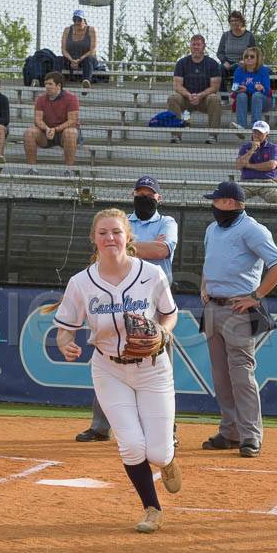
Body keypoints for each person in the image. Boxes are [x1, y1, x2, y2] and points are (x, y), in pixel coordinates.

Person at [52, 208, 182, 534]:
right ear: (93, 240)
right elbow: (65, 329)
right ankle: (152, 508)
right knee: (132, 446)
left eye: (116, 232)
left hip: (152, 368)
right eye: (103, 233)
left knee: (158, 449)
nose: (110, 238)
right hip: (108, 369)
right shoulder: (81, 282)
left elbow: (169, 314)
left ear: (128, 237)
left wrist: (164, 333)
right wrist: (64, 343)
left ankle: (166, 461)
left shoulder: (151, 274)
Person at [74, 176, 179, 445]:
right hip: (115, 296)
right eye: (140, 193)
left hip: (152, 301)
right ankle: (100, 426)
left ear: (159, 197)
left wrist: (122, 247)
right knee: (108, 354)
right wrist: (122, 245)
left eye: (150, 194)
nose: (144, 197)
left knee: (160, 363)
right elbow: (106, 252)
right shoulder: (123, 221)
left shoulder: (167, 223)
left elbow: (161, 250)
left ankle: (168, 430)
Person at [199, 180, 277, 458]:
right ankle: (230, 432)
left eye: (217, 200)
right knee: (221, 376)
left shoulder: (253, 229)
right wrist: (204, 286)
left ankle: (250, 435)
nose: (213, 205)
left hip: (238, 308)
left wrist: (256, 296)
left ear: (229, 203)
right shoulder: (212, 228)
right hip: (213, 307)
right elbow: (209, 262)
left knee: (241, 374)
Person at [167, 35, 222, 141]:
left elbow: (214, 87)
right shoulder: (182, 63)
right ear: (190, 46)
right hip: (186, 99)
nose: (196, 47)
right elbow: (177, 85)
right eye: (193, 44)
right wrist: (189, 95)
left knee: (215, 98)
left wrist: (200, 95)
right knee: (173, 98)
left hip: (205, 99)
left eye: (198, 44)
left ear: (204, 46)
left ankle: (212, 135)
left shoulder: (212, 63)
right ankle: (176, 135)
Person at [24, 72, 79, 174]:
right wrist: (47, 129)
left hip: (64, 134)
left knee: (71, 132)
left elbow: (72, 121)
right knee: (29, 132)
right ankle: (31, 169)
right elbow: (38, 119)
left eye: (50, 84)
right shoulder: (41, 99)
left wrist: (55, 129)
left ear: (58, 85)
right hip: (46, 134)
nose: (47, 86)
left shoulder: (72, 98)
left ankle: (69, 170)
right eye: (45, 84)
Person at [235, 120, 277, 203]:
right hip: (247, 182)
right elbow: (238, 165)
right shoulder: (245, 147)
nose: (256, 135)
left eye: (260, 133)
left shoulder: (273, 147)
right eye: (255, 132)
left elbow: (271, 165)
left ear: (267, 135)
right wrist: (252, 149)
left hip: (267, 182)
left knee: (275, 197)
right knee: (235, 196)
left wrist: (249, 166)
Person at [232, 46, 272, 129]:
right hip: (246, 102)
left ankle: (255, 127)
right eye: (246, 56)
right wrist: (251, 88)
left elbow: (267, 91)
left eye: (252, 56)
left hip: (263, 102)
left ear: (258, 58)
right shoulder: (239, 70)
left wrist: (248, 89)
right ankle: (241, 126)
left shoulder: (263, 70)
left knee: (257, 95)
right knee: (241, 95)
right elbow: (234, 88)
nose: (249, 58)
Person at [59, 10, 97, 91]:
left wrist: (79, 60)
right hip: (71, 58)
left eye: (79, 20)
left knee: (88, 59)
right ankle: (57, 83)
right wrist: (72, 60)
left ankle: (86, 82)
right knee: (58, 59)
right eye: (74, 20)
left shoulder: (91, 30)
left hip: (86, 58)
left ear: (84, 20)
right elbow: (63, 50)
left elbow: (92, 50)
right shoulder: (67, 30)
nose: (77, 22)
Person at [217, 10, 256, 83]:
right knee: (219, 68)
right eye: (232, 21)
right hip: (228, 64)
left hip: (243, 64)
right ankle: (223, 93)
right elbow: (220, 53)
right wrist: (224, 61)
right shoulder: (225, 36)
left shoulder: (249, 36)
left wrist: (245, 61)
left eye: (236, 20)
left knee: (242, 70)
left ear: (241, 22)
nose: (234, 22)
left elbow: (254, 53)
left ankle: (240, 92)